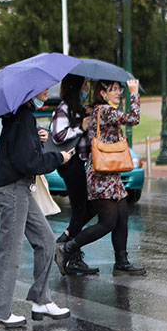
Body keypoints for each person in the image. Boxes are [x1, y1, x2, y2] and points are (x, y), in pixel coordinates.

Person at [0, 89, 71, 328]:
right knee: (10, 250)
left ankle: (41, 300)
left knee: (46, 239)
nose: (47, 91)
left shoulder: (22, 118)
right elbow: (27, 162)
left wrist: (36, 138)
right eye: (42, 88)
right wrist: (58, 158)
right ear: (29, 92)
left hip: (20, 188)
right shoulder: (22, 118)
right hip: (13, 189)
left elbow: (21, 152)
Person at [56, 79, 144, 277]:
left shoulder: (98, 110)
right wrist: (134, 92)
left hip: (111, 173)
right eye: (113, 89)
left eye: (119, 89)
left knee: (122, 216)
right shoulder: (105, 111)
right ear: (103, 93)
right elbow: (133, 118)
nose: (118, 93)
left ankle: (121, 262)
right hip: (101, 175)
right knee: (108, 222)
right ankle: (67, 248)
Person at [50, 74, 98, 275]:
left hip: (80, 164)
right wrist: (81, 128)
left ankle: (71, 250)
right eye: (84, 85)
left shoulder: (76, 109)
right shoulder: (63, 109)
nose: (86, 88)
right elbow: (59, 135)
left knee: (87, 208)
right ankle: (64, 244)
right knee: (82, 209)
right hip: (71, 165)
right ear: (76, 87)